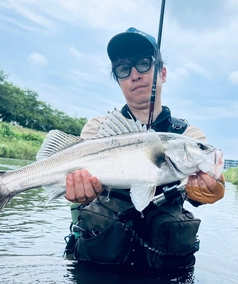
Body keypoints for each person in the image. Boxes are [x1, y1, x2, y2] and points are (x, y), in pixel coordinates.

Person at [64, 27, 225, 269]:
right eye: (123, 69)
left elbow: (211, 180)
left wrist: (210, 189)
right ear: (118, 80)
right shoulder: (97, 130)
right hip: (101, 260)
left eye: (143, 64)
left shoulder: (189, 136)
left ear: (163, 73)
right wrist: (79, 191)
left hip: (163, 263)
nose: (135, 75)